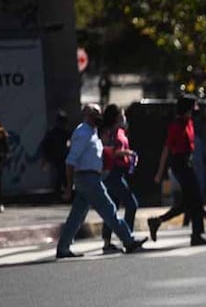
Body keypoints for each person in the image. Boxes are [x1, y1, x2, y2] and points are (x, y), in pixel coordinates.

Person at [56, 104, 147, 259]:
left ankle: (63, 247)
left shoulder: (93, 132)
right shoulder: (82, 133)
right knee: (109, 209)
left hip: (90, 177)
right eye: (96, 114)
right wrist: (69, 186)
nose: (99, 117)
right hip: (88, 178)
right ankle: (128, 240)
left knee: (77, 216)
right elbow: (70, 161)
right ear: (87, 115)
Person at [147, 95, 206, 246]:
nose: (195, 110)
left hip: (187, 163)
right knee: (195, 199)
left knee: (187, 202)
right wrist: (160, 172)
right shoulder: (176, 126)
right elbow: (166, 149)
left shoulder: (189, 123)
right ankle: (196, 235)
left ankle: (157, 221)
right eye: (193, 107)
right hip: (180, 164)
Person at [99, 104, 140, 254]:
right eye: (122, 115)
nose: (124, 118)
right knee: (131, 204)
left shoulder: (120, 131)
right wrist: (129, 153)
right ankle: (127, 237)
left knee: (113, 207)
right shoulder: (108, 133)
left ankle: (108, 241)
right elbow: (112, 152)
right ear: (116, 117)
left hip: (120, 172)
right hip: (112, 173)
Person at [39, 110, 71, 198]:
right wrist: (46, 158)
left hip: (64, 157)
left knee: (62, 175)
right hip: (58, 157)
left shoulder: (65, 132)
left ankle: (62, 192)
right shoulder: (53, 132)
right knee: (60, 174)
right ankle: (60, 193)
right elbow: (45, 145)